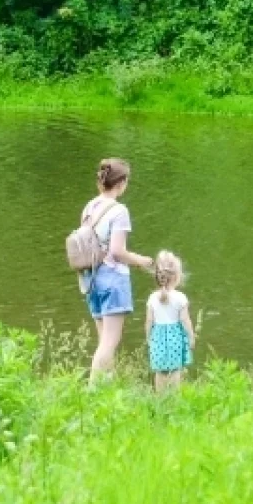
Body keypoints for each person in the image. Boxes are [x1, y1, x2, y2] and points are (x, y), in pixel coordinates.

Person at [80, 158, 153, 378]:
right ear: (121, 183)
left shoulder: (89, 208)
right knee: (109, 342)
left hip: (90, 279)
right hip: (112, 279)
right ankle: (93, 390)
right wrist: (142, 261)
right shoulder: (119, 211)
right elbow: (117, 251)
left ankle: (107, 389)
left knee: (104, 340)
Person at [145, 250, 195, 391]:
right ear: (176, 276)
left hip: (157, 337)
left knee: (160, 371)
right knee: (175, 369)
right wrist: (191, 337)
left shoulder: (152, 298)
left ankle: (160, 398)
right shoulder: (180, 298)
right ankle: (174, 398)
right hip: (176, 337)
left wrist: (149, 338)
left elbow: (149, 321)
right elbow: (185, 320)